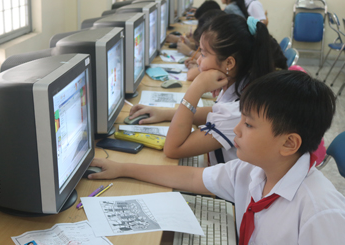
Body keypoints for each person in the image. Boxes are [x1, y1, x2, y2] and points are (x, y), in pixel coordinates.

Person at [88, 70, 345, 244]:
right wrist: (122, 168)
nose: (236, 130)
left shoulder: (320, 214)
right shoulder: (252, 171)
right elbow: (190, 176)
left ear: (289, 143)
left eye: (249, 125)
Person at [129, 15, 275, 165]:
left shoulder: (239, 112)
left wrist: (196, 88)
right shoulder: (242, 84)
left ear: (229, 63)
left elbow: (173, 149)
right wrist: (164, 113)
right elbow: (215, 111)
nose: (198, 60)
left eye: (204, 54)